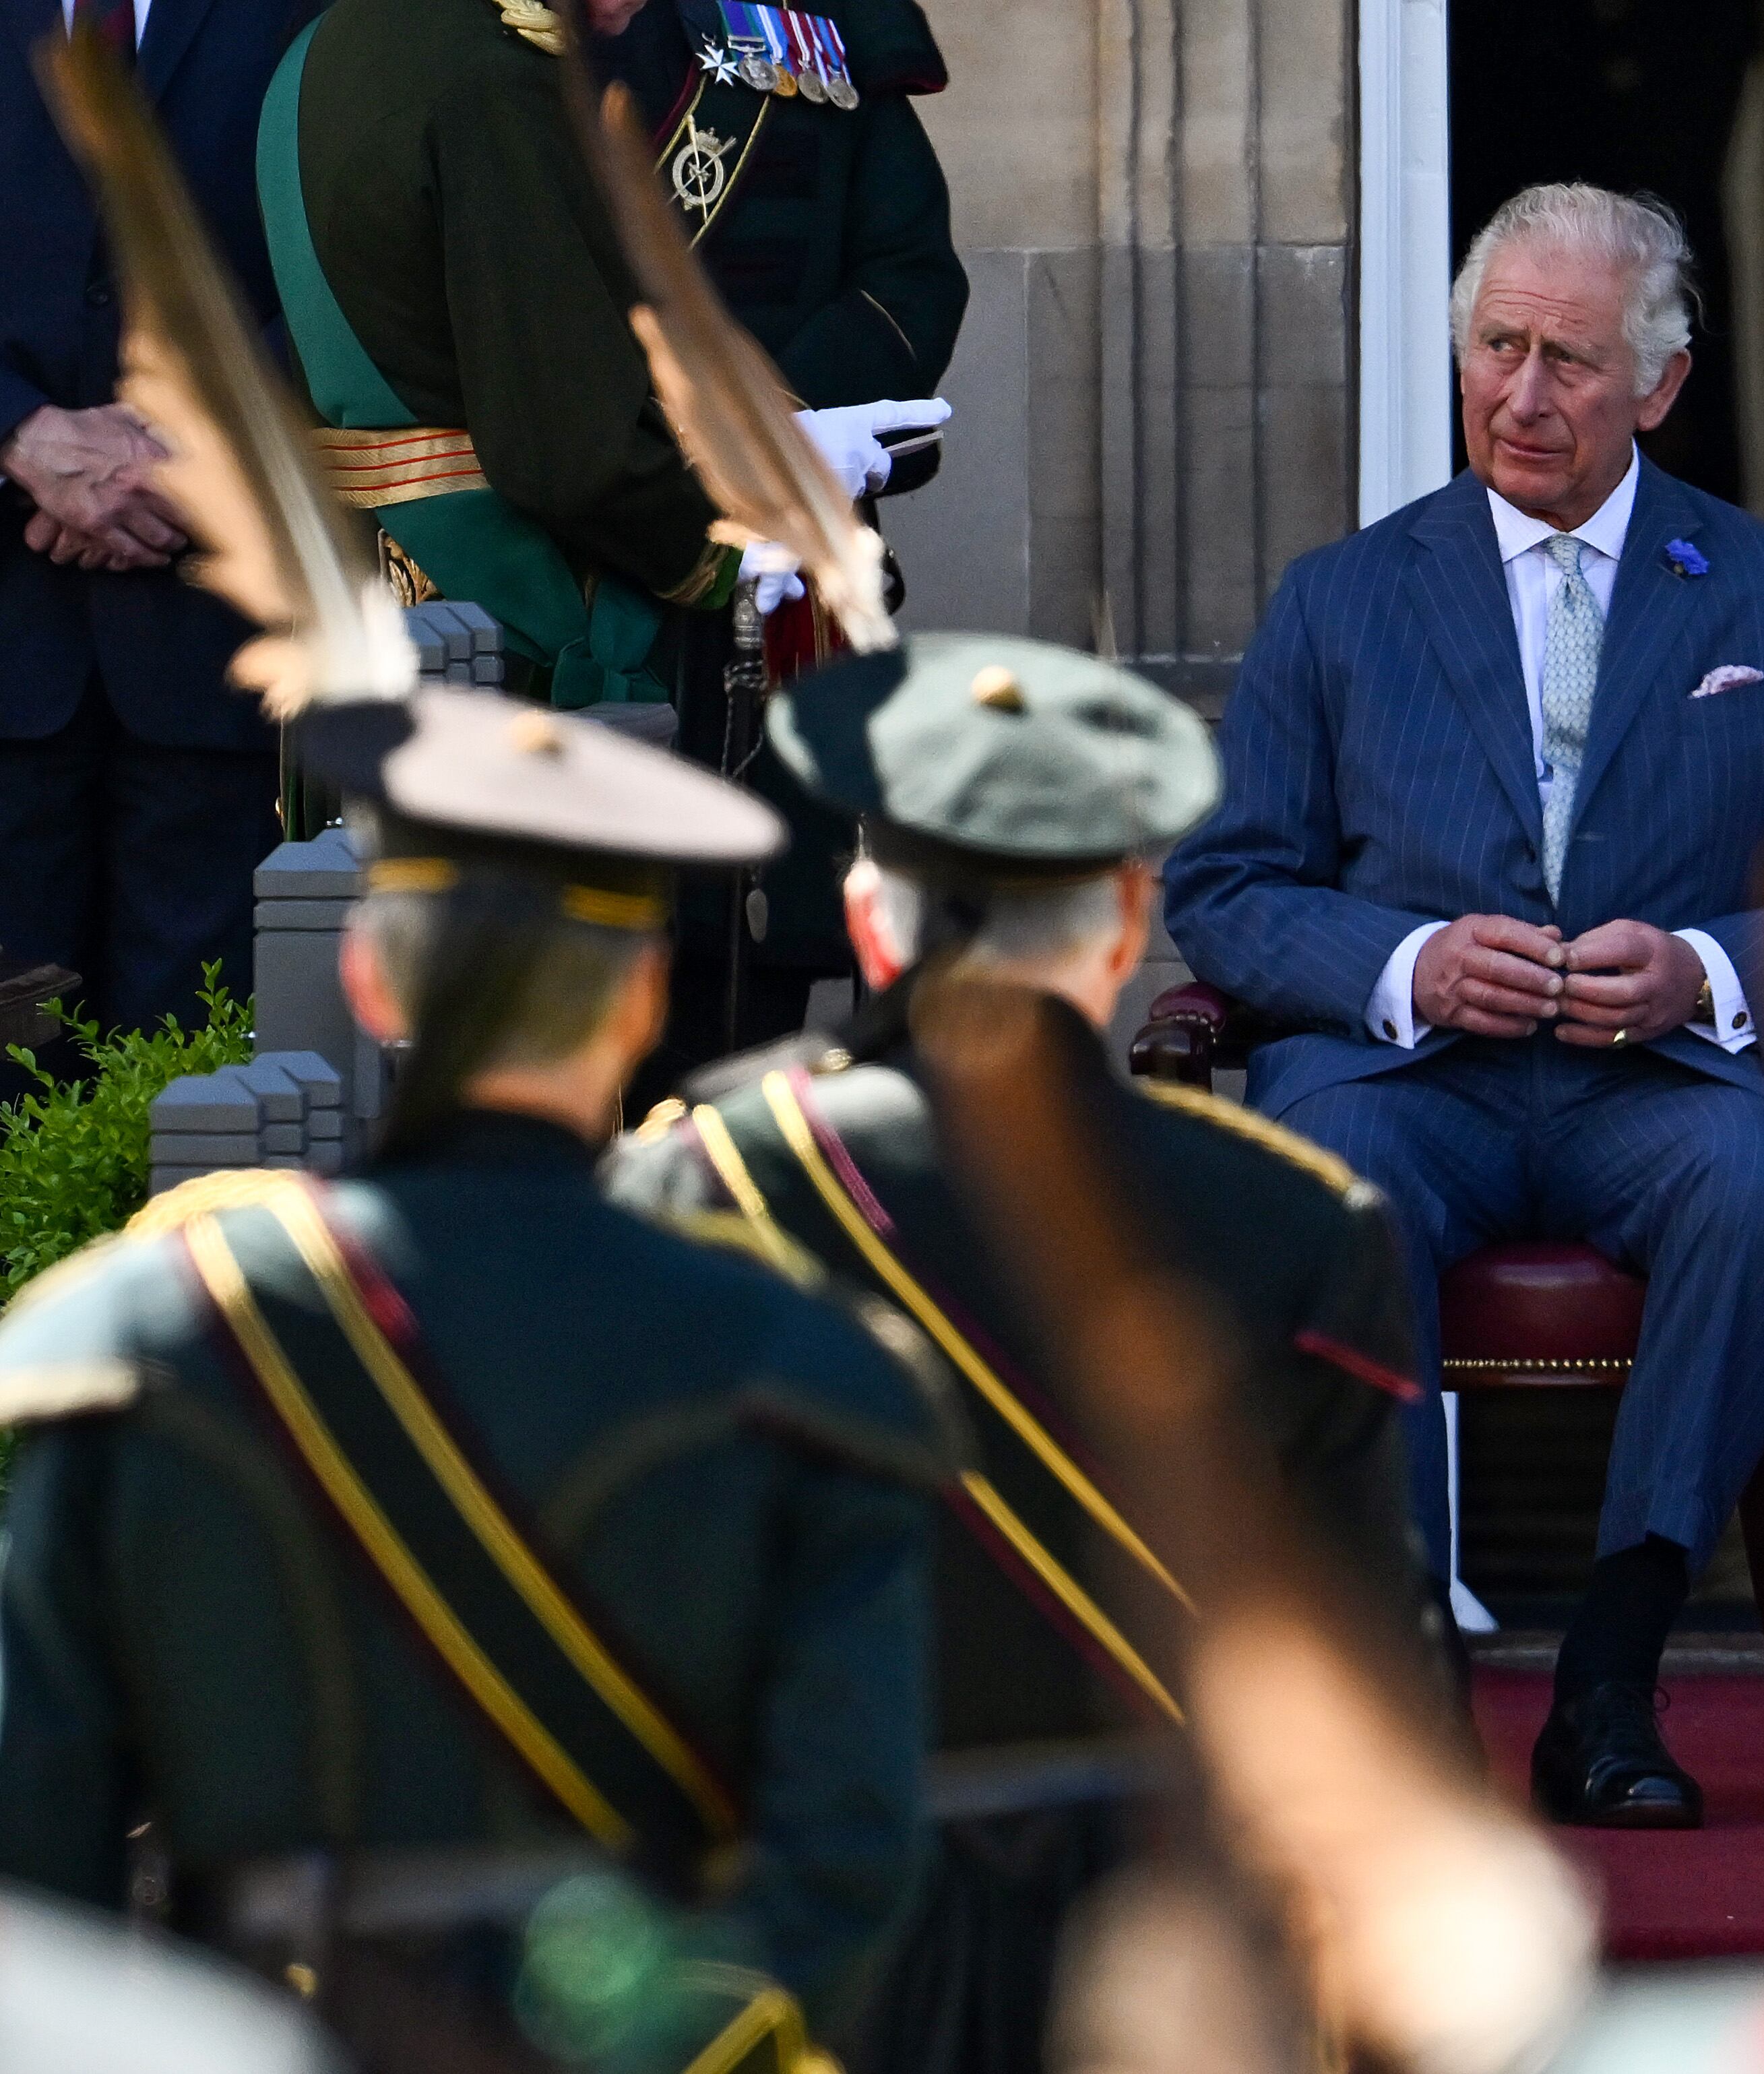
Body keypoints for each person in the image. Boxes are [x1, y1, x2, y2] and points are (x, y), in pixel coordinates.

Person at [0, 688, 955, 2070]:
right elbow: (850, 1864)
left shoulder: (144, 1344)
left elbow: (37, 1856)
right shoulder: (803, 1365)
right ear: (640, 1002)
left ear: (373, 980)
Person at [1163, 183, 1764, 1828]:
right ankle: (1394, 1675)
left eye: (1571, 362)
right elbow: (1227, 889)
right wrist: (1401, 965)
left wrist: (1711, 966)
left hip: (1657, 1079)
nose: (1522, 395)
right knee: (1327, 1197)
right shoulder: (1344, 594)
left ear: (1660, 384)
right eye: (1497, 349)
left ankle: (1608, 1673)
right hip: (1403, 1078)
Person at [602, 631, 1424, 2073]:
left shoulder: (701, 1185)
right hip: (1166, 1979)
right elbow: (1375, 1694)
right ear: (1124, 924)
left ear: (870, 924)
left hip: (793, 1956)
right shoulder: (1304, 1223)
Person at [253, 0, 943, 713]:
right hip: (545, 591)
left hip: (424, 594)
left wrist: (777, 433)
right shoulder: (492, 68)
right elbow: (566, 448)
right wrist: (737, 512)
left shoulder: (342, 41)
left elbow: (905, 273)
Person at [586, 0, 972, 1078]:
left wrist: (776, 421)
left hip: (769, 596)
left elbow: (911, 280)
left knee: (744, 970)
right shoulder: (475, 41)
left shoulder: (809, 28)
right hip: (559, 558)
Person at [0, 0, 305, 1065]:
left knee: (190, 1090)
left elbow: (358, 244)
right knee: (12, 1066)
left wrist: (195, 456)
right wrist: (20, 434)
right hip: (13, 618)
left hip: (216, 632)